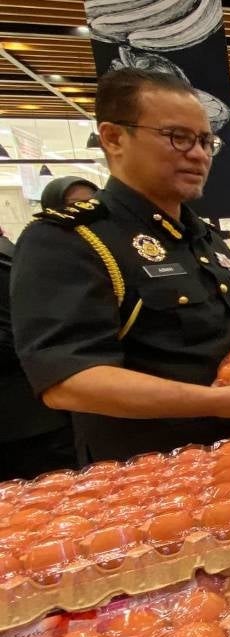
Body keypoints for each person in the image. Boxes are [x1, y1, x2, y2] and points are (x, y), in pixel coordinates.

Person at [11, 67, 230, 463]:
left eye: (206, 141)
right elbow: (69, 380)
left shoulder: (202, 235)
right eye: (178, 137)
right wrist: (222, 401)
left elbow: (224, 339)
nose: (198, 154)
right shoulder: (69, 239)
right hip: (157, 473)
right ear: (114, 137)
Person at [0, 175, 99, 478]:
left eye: (93, 203)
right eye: (76, 205)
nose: (87, 210)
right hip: (27, 414)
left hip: (65, 412)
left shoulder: (106, 255)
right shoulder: (41, 251)